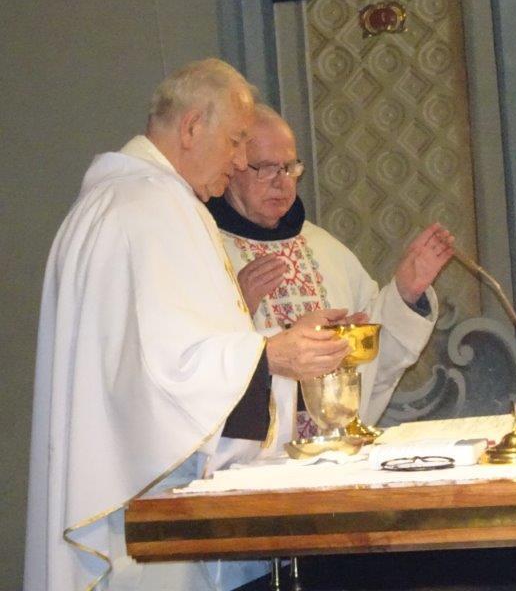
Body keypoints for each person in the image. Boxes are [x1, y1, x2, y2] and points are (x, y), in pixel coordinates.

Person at [25, 59, 358, 591]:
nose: (240, 160)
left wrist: (270, 348)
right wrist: (273, 356)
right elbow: (167, 373)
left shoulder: (121, 202)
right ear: (191, 127)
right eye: (235, 141)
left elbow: (166, 354)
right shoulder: (152, 210)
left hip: (130, 487)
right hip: (148, 505)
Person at [205, 104, 452, 461]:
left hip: (333, 460)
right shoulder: (206, 249)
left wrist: (405, 294)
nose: (282, 182)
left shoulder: (326, 250)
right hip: (249, 465)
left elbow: (375, 361)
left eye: (290, 168)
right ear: (233, 167)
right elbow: (191, 363)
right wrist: (238, 305)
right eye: (266, 168)